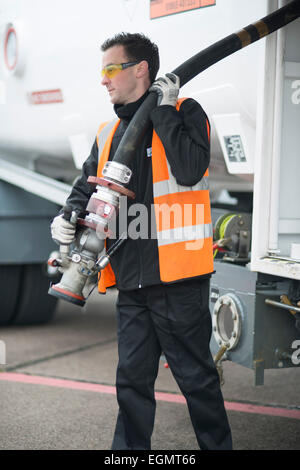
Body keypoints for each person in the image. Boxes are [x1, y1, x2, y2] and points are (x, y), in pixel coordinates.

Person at [51, 32, 232, 450]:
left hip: (177, 279)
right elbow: (85, 187)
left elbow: (188, 169)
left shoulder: (186, 111)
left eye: (111, 70)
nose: (104, 80)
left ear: (141, 70)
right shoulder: (109, 129)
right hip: (130, 279)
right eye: (103, 72)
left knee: (197, 382)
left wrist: (164, 110)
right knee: (131, 383)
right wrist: (65, 219)